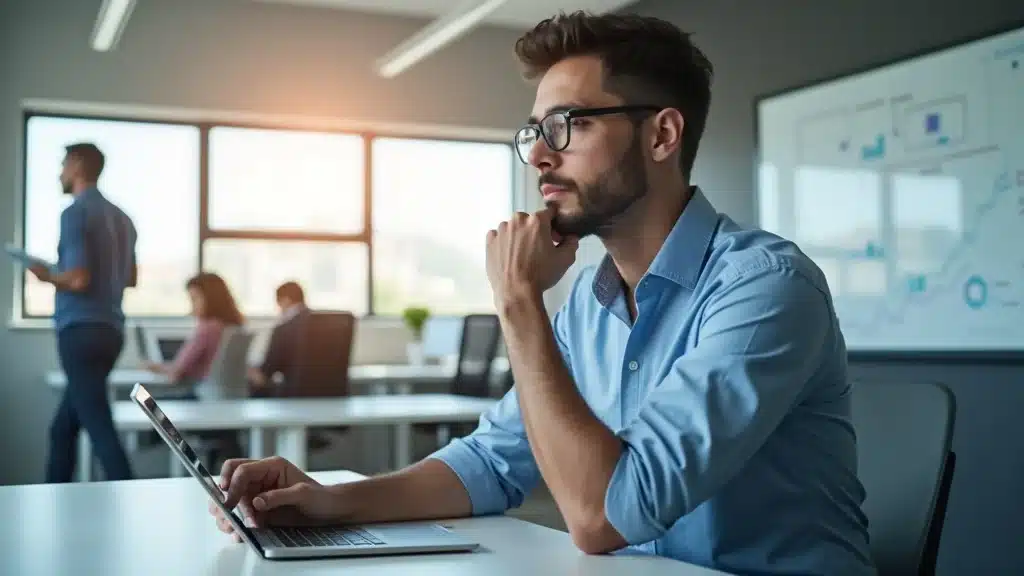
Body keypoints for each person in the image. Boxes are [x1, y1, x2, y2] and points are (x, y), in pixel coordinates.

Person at [209, 12, 876, 575]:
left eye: (571, 125)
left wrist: (519, 302)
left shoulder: (763, 287)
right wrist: (325, 501)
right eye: (536, 130)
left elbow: (604, 516)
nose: (538, 156)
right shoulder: (591, 300)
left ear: (662, 134)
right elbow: (491, 463)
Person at [32, 142, 138, 483]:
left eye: (63, 164)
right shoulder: (123, 218)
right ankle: (54, 496)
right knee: (63, 428)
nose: (60, 172)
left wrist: (47, 275)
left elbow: (78, 278)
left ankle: (130, 491)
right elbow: (131, 278)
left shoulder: (75, 212)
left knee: (98, 423)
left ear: (77, 165)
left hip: (79, 330)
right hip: (111, 331)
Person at [145, 272, 244, 391]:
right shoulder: (233, 326)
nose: (192, 306)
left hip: (199, 391)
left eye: (194, 299)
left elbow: (178, 369)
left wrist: (154, 367)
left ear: (211, 299)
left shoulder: (208, 328)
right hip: (221, 394)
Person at [247, 281, 310, 396]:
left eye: (278, 303)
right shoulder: (327, 324)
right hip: (331, 397)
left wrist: (249, 371)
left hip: (292, 396)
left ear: (285, 300)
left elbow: (265, 375)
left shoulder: (284, 328)